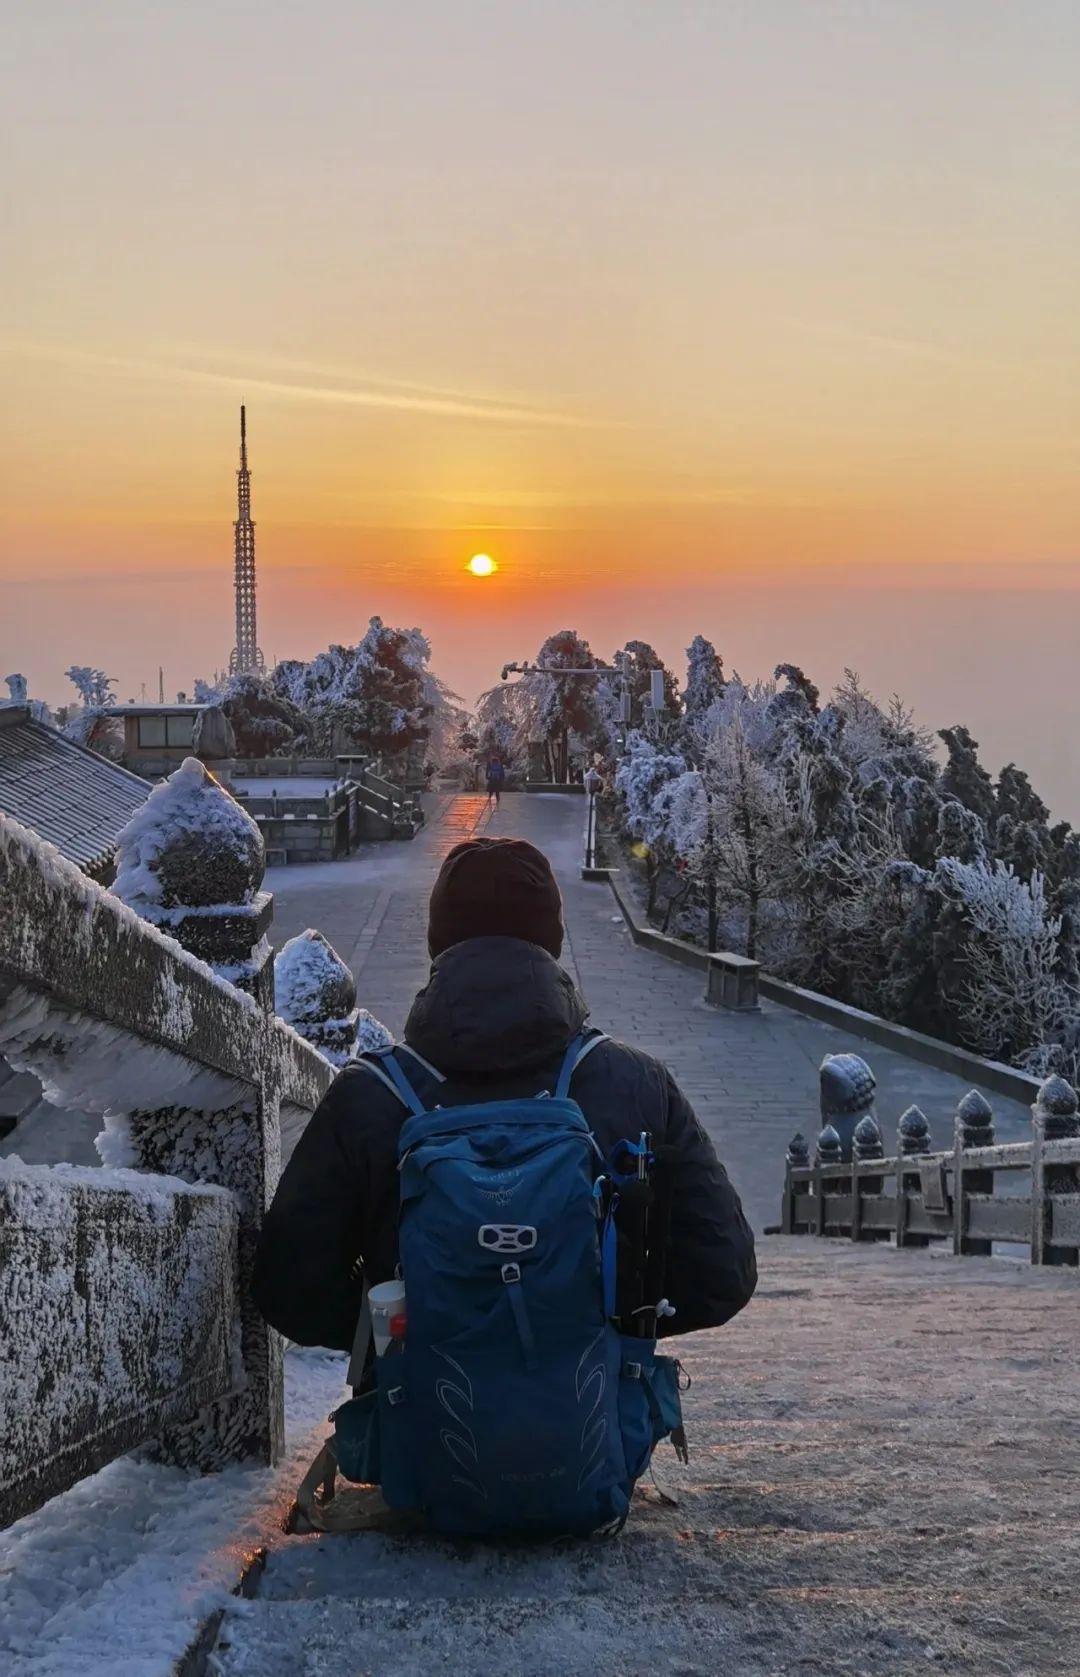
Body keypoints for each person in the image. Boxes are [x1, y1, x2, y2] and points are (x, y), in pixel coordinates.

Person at [253, 837, 756, 1531]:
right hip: (593, 1452)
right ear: (551, 942)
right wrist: (598, 1314)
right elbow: (723, 1274)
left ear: (437, 945)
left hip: (421, 1462)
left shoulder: (371, 1094)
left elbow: (285, 1287)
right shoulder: (633, 1082)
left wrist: (415, 1322)